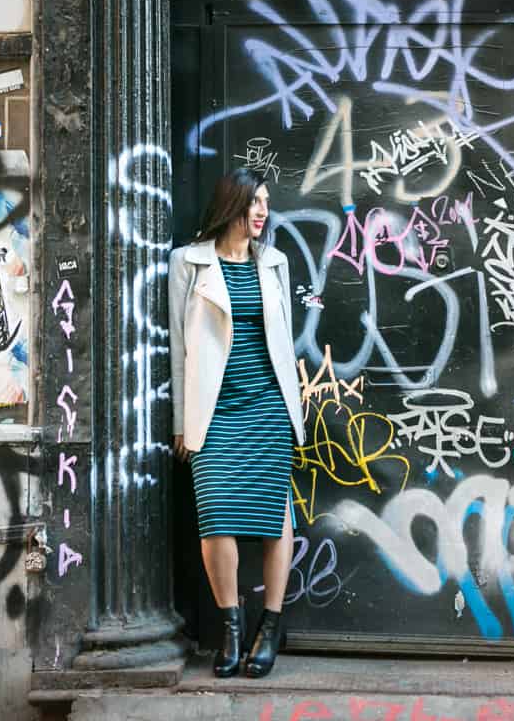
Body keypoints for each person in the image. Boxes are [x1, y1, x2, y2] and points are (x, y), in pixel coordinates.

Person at [169, 168, 305, 679]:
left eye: (266, 203)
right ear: (232, 204)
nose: (262, 211)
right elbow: (179, 348)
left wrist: (292, 410)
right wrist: (182, 422)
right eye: (254, 202)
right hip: (215, 408)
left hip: (268, 406)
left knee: (275, 517)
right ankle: (230, 625)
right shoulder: (187, 262)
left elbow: (284, 338)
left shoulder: (275, 262)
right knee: (216, 515)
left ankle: (269, 627)